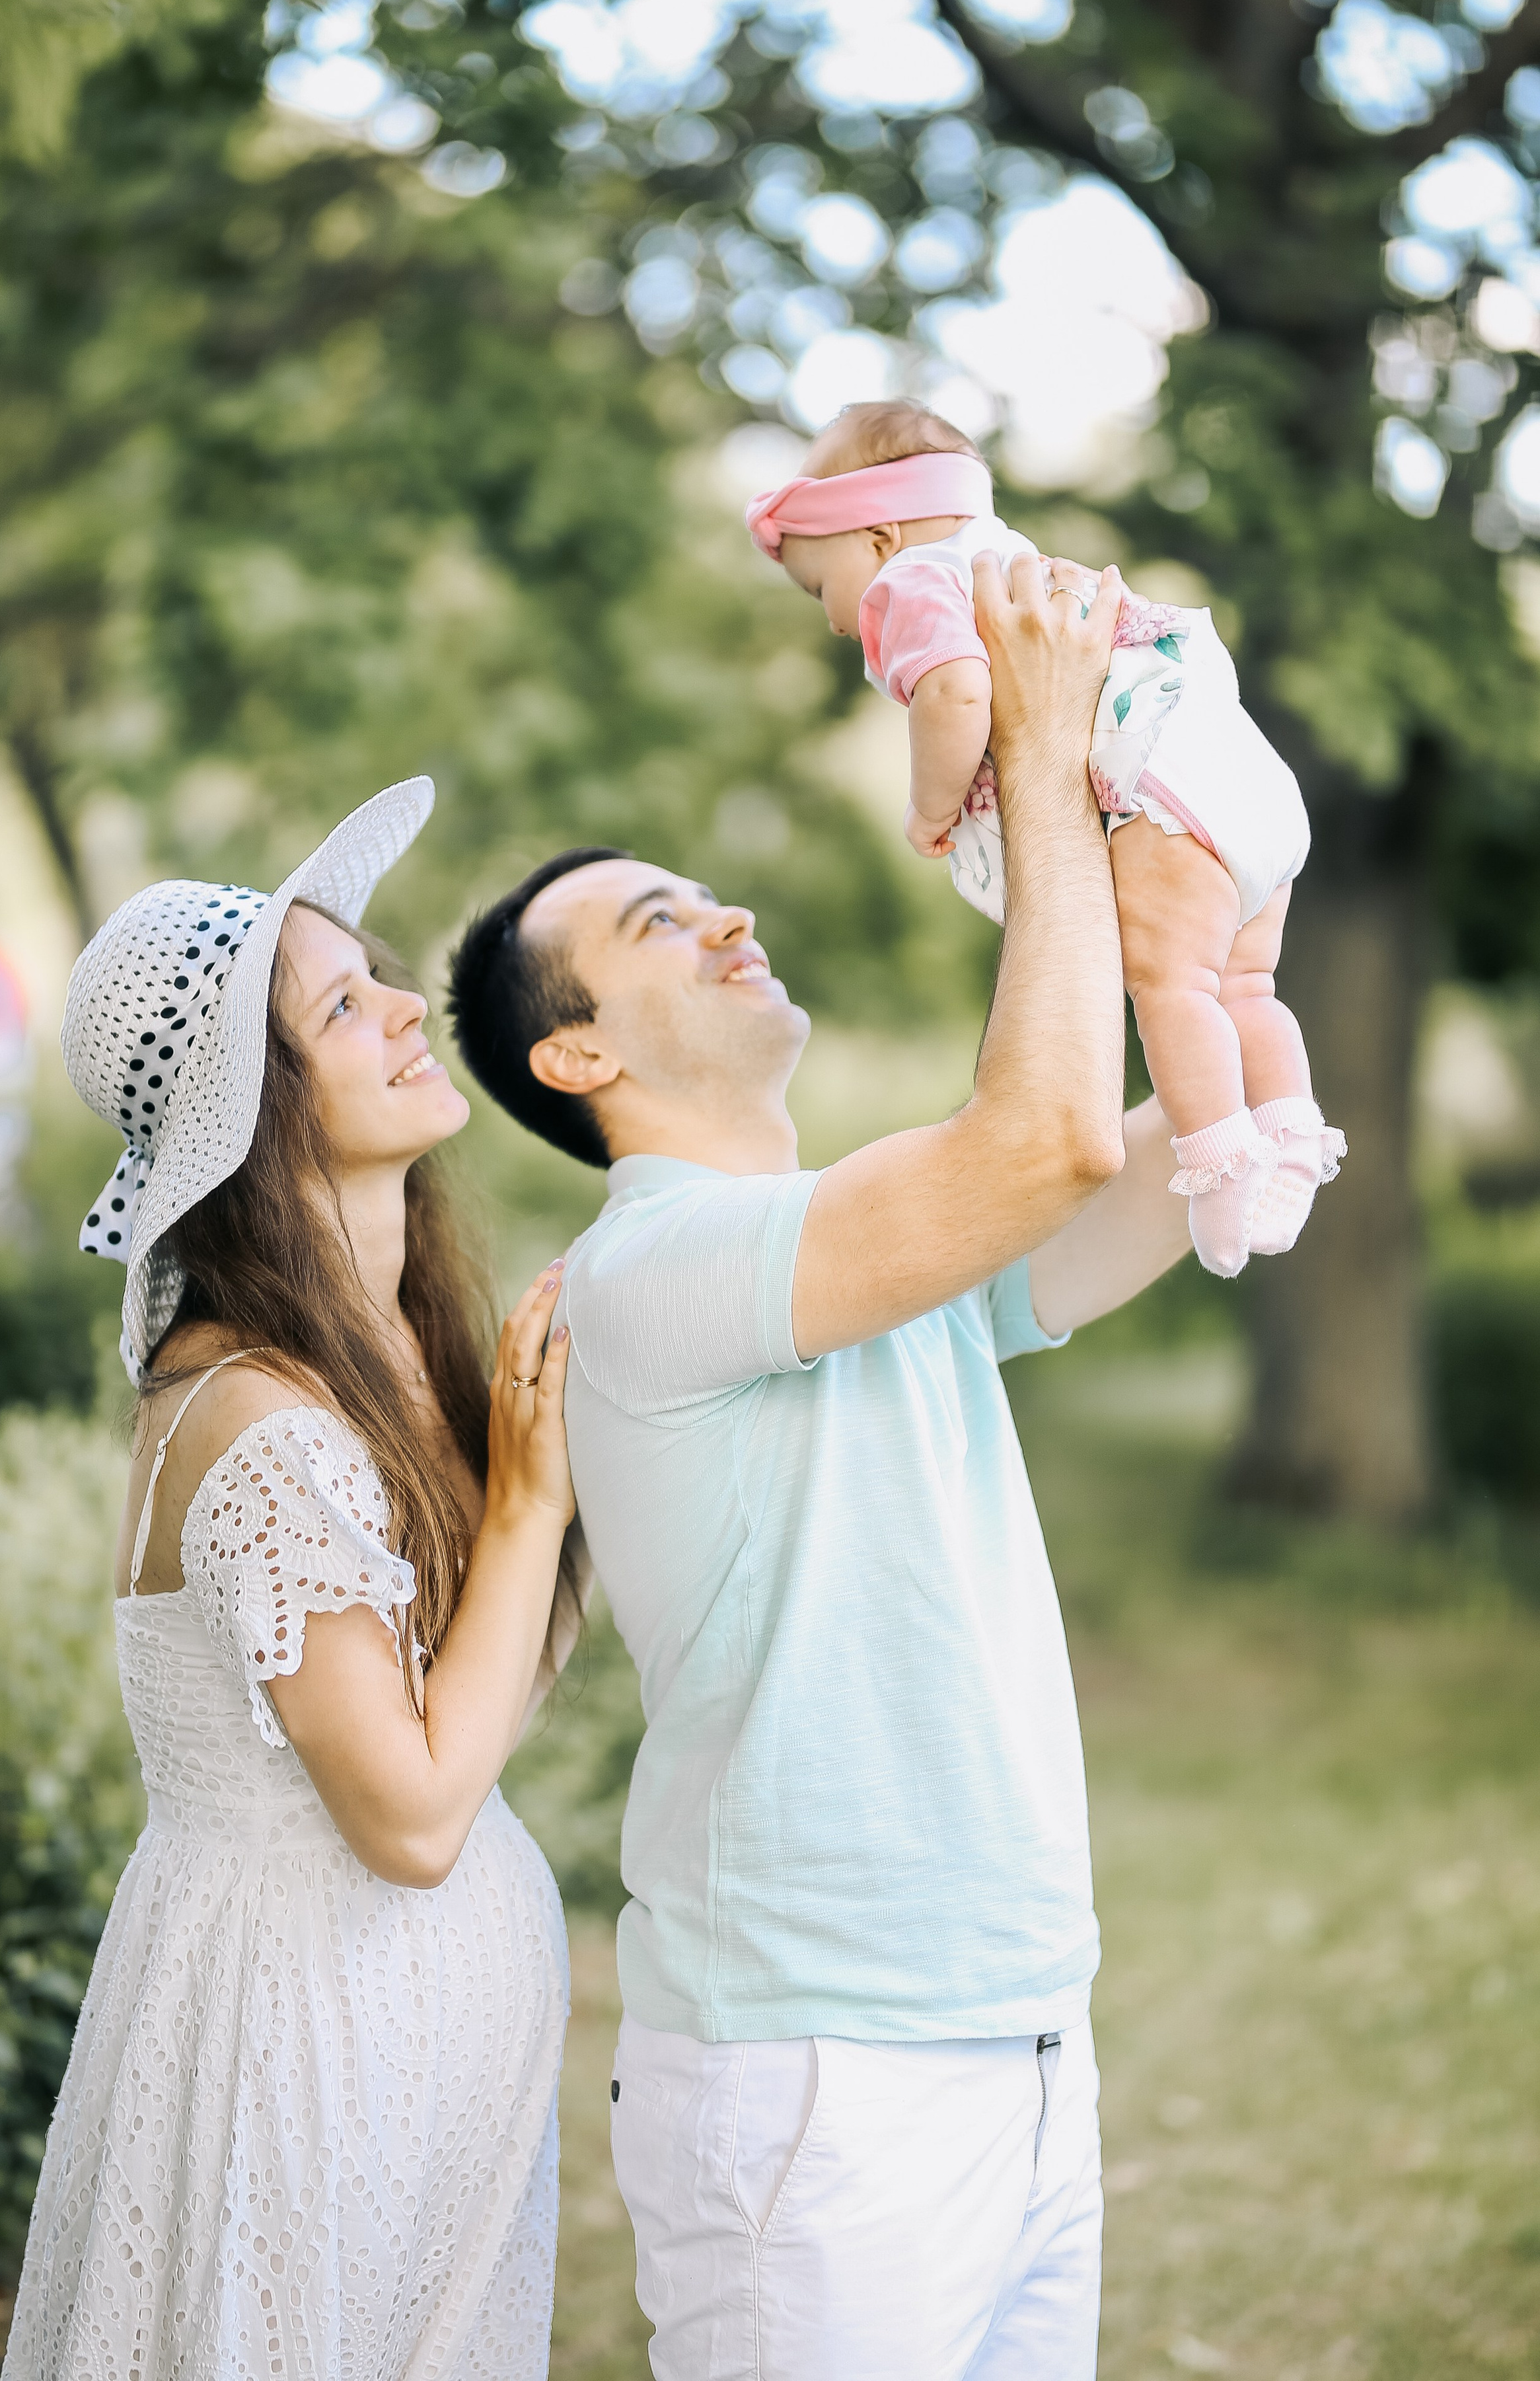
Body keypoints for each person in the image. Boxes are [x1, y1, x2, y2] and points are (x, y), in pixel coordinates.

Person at [446, 562, 1198, 2380]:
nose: (724, 916)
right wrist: (1025, 749)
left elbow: (1203, 1145)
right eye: (654, 922)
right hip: (818, 2075)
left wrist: (1158, 805)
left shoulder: (857, 1249)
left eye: (707, 893)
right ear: (578, 1052)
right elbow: (1052, 1136)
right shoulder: (660, 1266)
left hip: (1019, 2019)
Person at [4, 778, 583, 2381]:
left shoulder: (378, 1357)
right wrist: (527, 1512)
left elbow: (471, 1698)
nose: (407, 1005)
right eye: (344, 1005)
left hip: (401, 2064)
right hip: (306, 2058)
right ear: (254, 1110)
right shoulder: (259, 1426)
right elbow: (406, 1819)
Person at [747, 400, 1345, 1277]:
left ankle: (1221, 1162)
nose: (835, 619)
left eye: (817, 588)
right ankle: (1290, 1131)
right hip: (1244, 783)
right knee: (1245, 985)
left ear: (876, 540)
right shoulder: (1017, 559)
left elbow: (955, 697)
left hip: (1160, 795)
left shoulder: (911, 584)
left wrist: (929, 807)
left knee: (1170, 984)